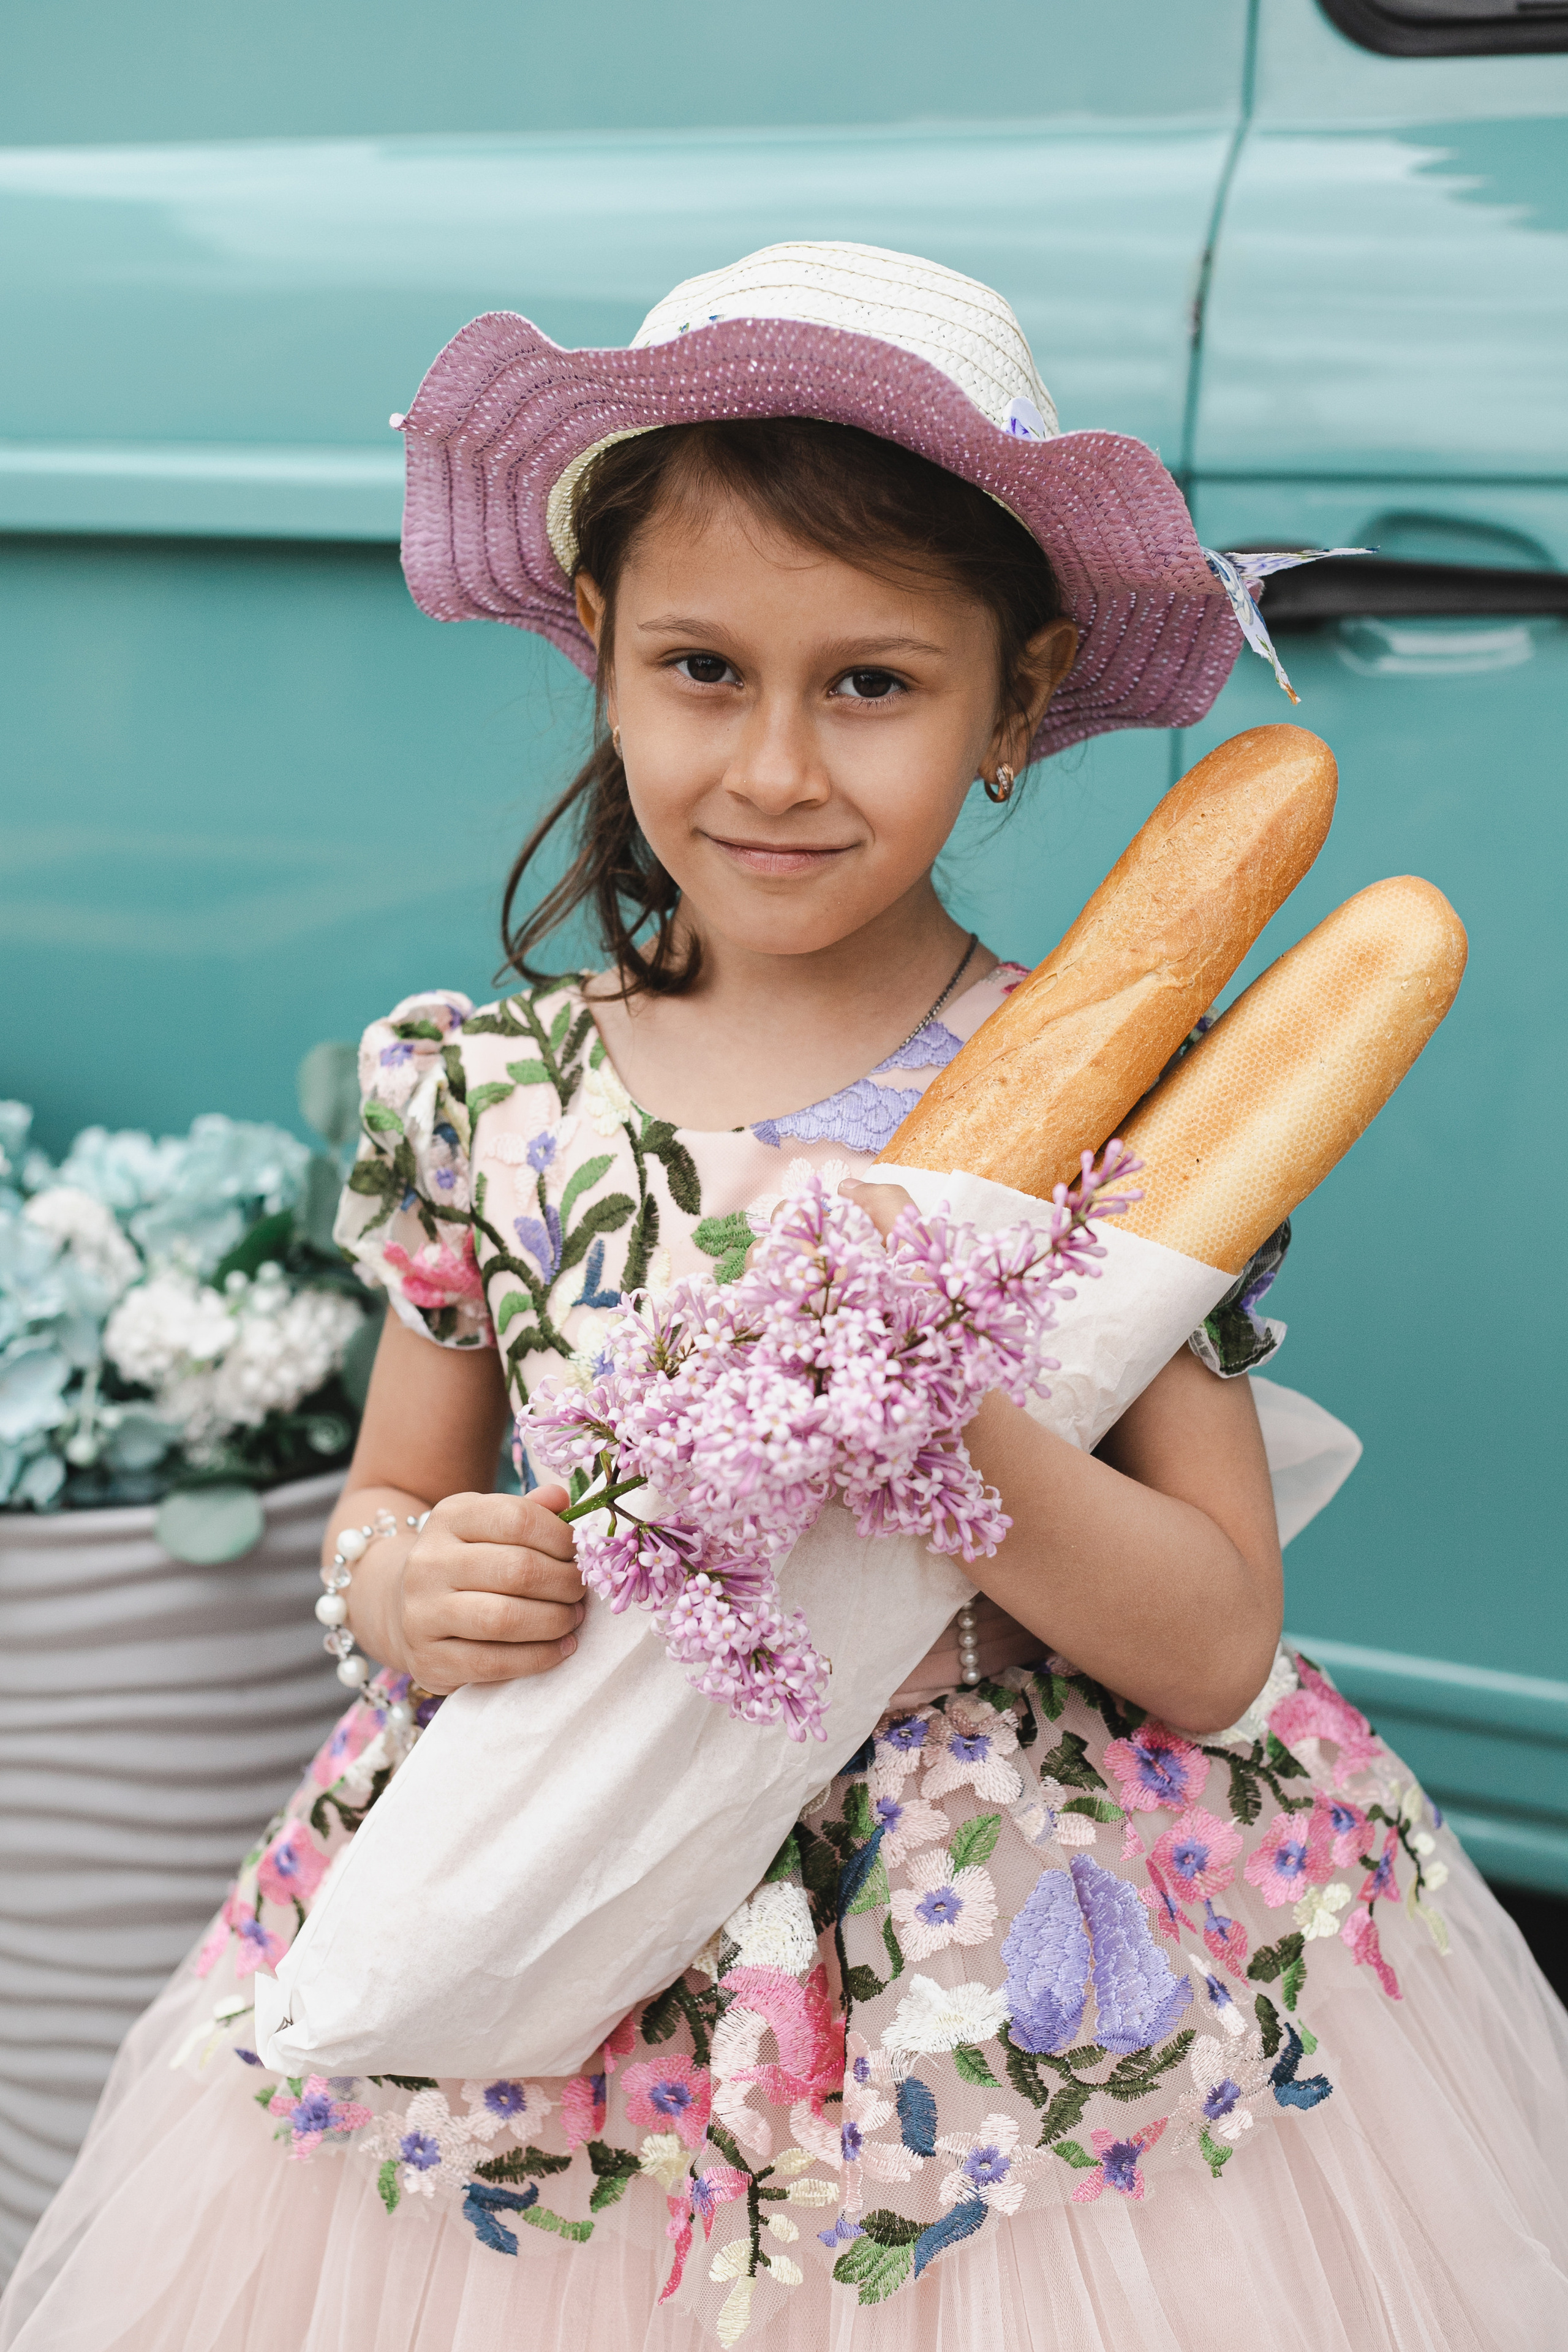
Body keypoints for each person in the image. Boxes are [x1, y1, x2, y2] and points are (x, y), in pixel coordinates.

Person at [5, 243, 1564, 2350]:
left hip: (1012, 1961)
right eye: (703, 670)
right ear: (603, 660)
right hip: (555, 1911)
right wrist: (399, 1588)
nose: (772, 768)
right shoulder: (488, 1092)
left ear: (1013, 703)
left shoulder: (1115, 1108)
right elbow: (391, 1496)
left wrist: (942, 1419)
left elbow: (1212, 1644)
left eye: (872, 684)